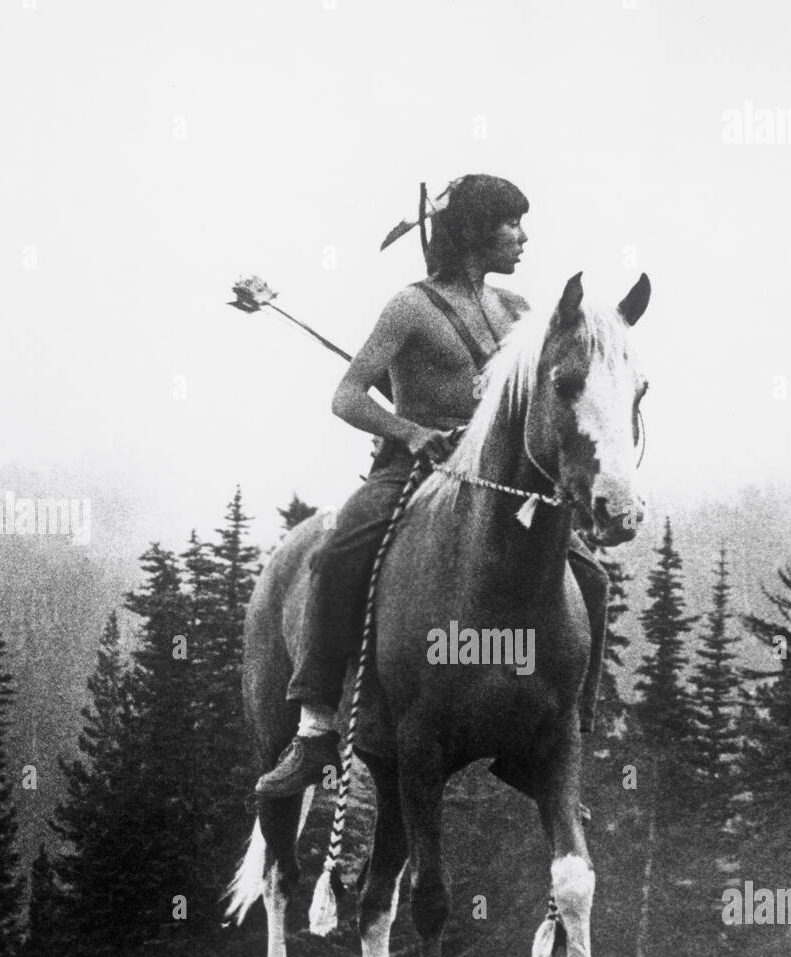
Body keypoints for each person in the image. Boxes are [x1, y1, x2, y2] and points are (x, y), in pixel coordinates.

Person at [255, 174, 609, 800]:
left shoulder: (521, 312)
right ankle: (315, 725)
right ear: (474, 230)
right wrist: (413, 431)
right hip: (411, 469)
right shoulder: (410, 307)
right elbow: (347, 395)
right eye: (511, 224)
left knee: (592, 578)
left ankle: (566, 727)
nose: (522, 238)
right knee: (340, 552)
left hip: (497, 483)